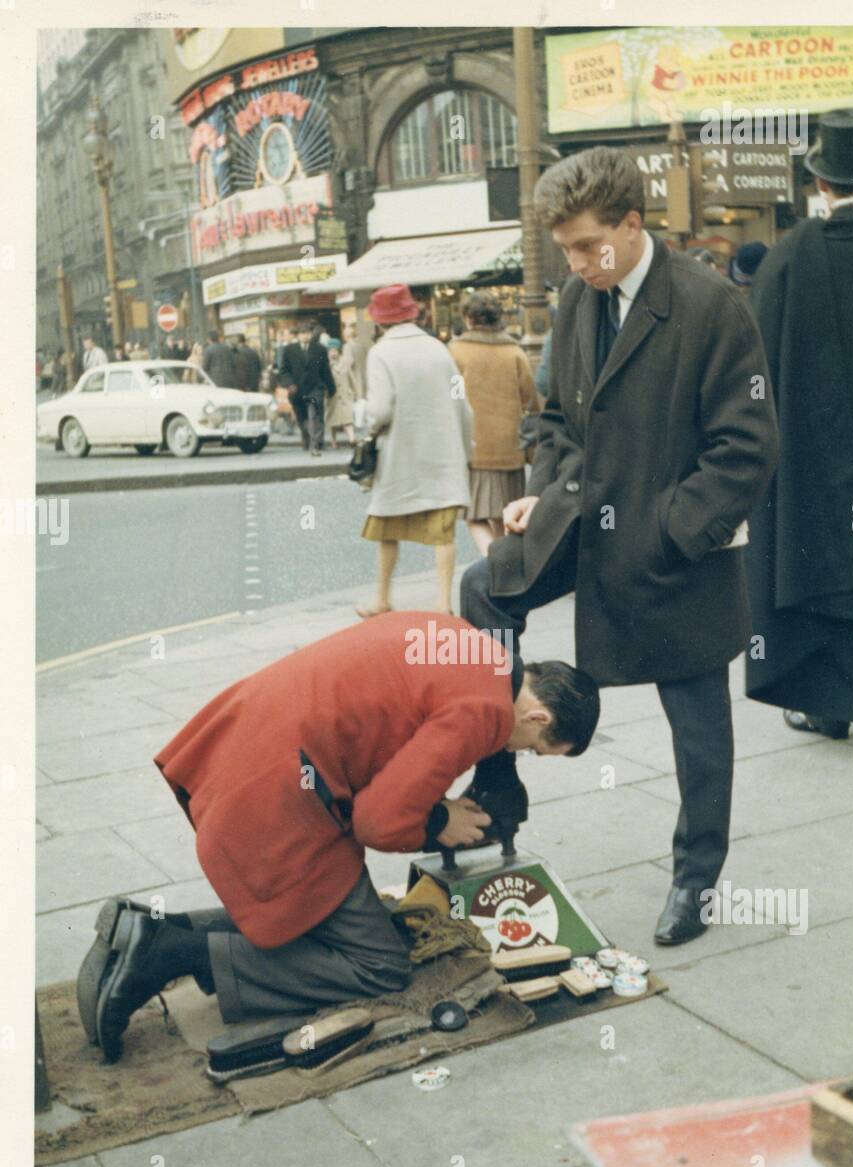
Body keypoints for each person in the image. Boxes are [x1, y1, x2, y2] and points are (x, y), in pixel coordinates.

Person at [460, 145, 779, 948]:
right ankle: (498, 777)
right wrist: (544, 482)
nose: (572, 265)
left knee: (696, 720)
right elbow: (555, 420)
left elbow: (746, 448)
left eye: (583, 247)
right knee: (483, 590)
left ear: (632, 227)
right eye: (563, 249)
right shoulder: (578, 298)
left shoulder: (709, 306)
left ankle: (695, 880)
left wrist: (675, 530)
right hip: (578, 518)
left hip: (668, 547)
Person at [75, 612, 600, 1062]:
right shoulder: (485, 711)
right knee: (379, 964)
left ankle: (144, 928)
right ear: (538, 715)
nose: (519, 750)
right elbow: (377, 821)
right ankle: (170, 952)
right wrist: (440, 822)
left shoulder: (472, 645)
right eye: (533, 746)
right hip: (283, 793)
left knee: (334, 918)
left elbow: (386, 723)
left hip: (251, 739)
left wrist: (432, 800)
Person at [744, 109, 853, 741]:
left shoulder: (788, 259)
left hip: (818, 462)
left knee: (827, 574)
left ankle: (831, 703)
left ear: (822, 185)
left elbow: (756, 368)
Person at [359, 284, 473, 619]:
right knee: (443, 532)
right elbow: (461, 403)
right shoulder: (439, 349)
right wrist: (465, 448)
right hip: (441, 454)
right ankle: (443, 602)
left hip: (399, 455)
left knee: (387, 528)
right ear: (412, 313)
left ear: (381, 321)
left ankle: (381, 598)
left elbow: (380, 411)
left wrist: (365, 420)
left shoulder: (380, 353)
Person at [449, 292, 538, 556]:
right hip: (510, 448)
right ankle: (507, 563)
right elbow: (531, 400)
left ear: (468, 319)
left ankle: (496, 563)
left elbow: (453, 398)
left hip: (474, 447)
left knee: (473, 516)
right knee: (505, 517)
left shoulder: (457, 353)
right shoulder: (514, 352)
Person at [278, 321, 336, 455]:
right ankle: (308, 438)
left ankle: (315, 444)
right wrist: (289, 384)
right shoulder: (289, 350)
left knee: (315, 415)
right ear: (298, 335)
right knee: (302, 417)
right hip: (297, 389)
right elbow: (284, 371)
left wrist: (331, 387)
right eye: (303, 333)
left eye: (308, 333)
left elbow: (325, 370)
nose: (306, 336)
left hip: (315, 387)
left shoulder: (319, 349)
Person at [325, 339, 357, 448]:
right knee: (332, 420)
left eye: (335, 350)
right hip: (332, 396)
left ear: (339, 351)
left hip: (344, 394)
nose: (333, 353)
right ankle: (334, 441)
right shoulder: (325, 364)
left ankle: (352, 439)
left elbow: (352, 378)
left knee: (348, 418)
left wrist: (356, 392)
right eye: (331, 351)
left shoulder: (345, 362)